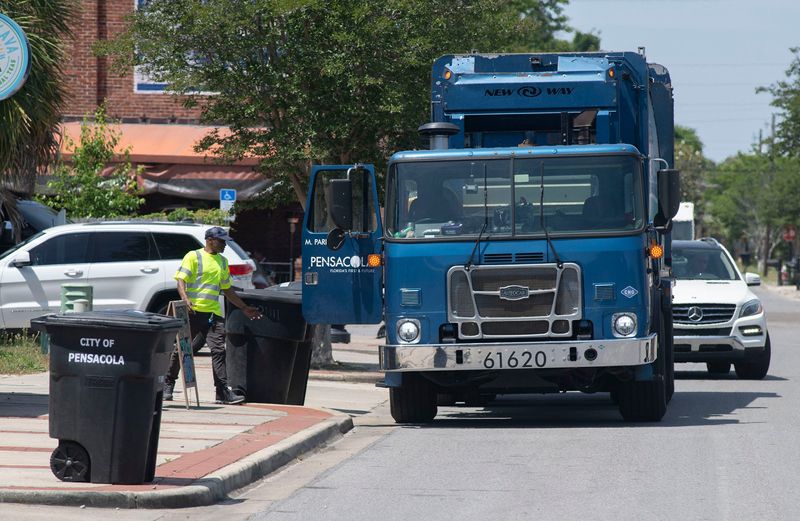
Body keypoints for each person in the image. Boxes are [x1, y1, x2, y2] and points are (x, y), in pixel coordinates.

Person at [163, 226, 262, 405]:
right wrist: (185, 299)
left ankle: (222, 392)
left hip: (213, 313)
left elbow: (226, 289)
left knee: (218, 351)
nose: (224, 245)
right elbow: (181, 279)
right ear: (210, 240)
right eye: (221, 241)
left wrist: (244, 307)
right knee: (182, 349)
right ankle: (168, 385)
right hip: (192, 312)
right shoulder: (194, 256)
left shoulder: (223, 262)